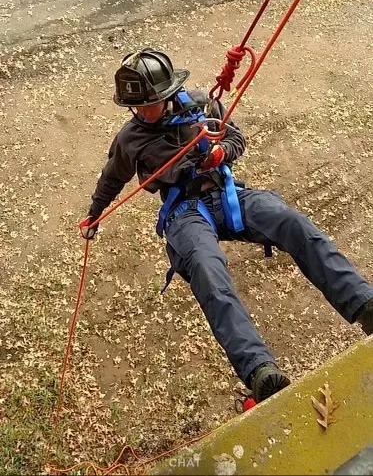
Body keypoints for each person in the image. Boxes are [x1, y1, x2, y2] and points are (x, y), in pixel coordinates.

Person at [81, 48, 373, 404]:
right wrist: (95, 214)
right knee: (207, 267)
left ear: (168, 93)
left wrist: (222, 153)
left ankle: (362, 304)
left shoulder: (203, 106)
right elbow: (112, 178)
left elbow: (236, 138)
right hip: (183, 210)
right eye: (136, 107)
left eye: (149, 104)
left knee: (290, 222)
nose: (143, 112)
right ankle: (259, 370)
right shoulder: (131, 140)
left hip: (227, 192)